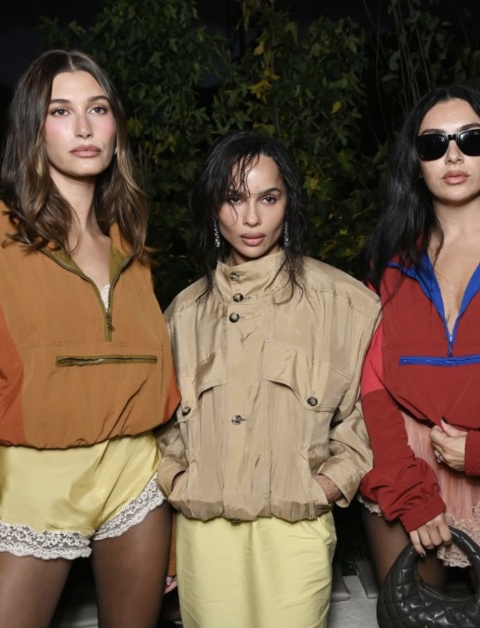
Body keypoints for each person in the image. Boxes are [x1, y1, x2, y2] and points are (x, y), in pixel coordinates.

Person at [0, 50, 179, 628]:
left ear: (115, 127)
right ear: (34, 128)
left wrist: (179, 535)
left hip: (137, 479)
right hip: (34, 481)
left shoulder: (132, 246)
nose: (83, 127)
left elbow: (163, 397)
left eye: (97, 109)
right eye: (60, 111)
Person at [156, 130, 378, 628]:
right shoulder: (183, 315)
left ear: (289, 203)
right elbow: (161, 421)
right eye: (234, 199)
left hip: (296, 528)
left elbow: (368, 414)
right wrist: (178, 477)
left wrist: (328, 483)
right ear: (213, 207)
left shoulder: (346, 304)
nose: (251, 218)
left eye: (268, 198)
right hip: (204, 532)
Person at [358, 85, 480, 628]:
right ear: (415, 162)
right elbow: (372, 388)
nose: (453, 155)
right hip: (405, 461)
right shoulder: (387, 261)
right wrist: (409, 490)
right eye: (434, 144)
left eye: (470, 139)